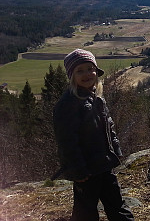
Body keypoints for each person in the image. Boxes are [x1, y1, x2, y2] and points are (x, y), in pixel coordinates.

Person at [53, 49, 135, 221]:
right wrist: (78, 171)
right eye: (80, 70)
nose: (87, 74)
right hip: (86, 171)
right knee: (85, 213)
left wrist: (116, 148)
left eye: (90, 68)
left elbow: (108, 125)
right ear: (72, 76)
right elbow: (67, 142)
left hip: (105, 164)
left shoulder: (96, 97)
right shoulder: (68, 103)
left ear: (96, 71)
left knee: (117, 205)